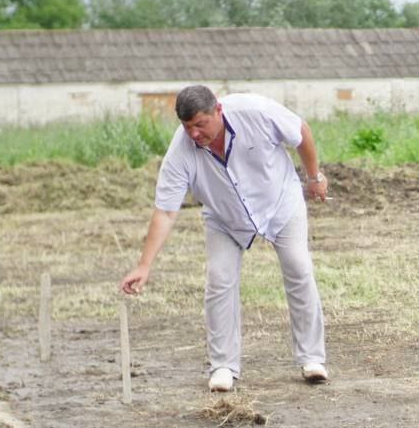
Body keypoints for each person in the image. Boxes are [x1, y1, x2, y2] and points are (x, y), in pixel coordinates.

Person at [120, 85, 330, 391]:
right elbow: (165, 212)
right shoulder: (181, 151)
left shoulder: (255, 111)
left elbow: (301, 132)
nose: (194, 134)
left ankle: (312, 359)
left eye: (200, 125)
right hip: (224, 217)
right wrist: (144, 265)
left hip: (281, 202)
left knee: (299, 268)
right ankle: (223, 367)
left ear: (218, 110)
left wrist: (314, 178)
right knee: (219, 279)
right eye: (187, 127)